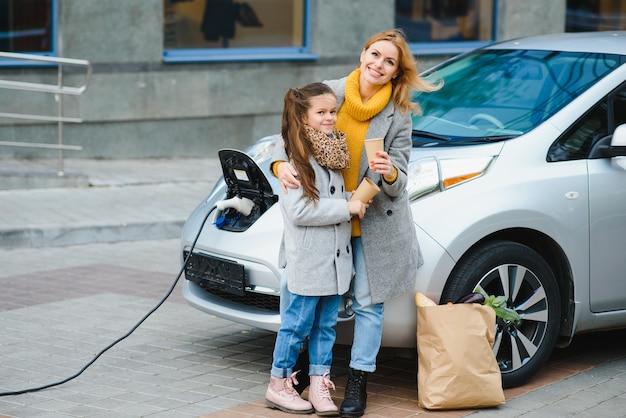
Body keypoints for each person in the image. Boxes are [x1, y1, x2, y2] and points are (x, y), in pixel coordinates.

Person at [271, 29, 442, 417]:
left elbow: (399, 175)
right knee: (300, 297)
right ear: (362, 52)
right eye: (375, 54)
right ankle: (292, 378)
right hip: (323, 219)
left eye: (389, 62)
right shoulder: (330, 92)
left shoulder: (398, 113)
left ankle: (358, 382)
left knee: (367, 306)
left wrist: (391, 174)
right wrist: (280, 165)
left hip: (374, 222)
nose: (378, 65)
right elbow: (287, 138)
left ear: (397, 72)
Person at [265, 82, 368, 415]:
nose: (329, 118)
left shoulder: (334, 149)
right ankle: (278, 384)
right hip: (309, 260)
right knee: (296, 326)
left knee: (326, 327)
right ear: (304, 116)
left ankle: (319, 385)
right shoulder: (294, 156)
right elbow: (299, 211)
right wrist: (347, 208)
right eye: (320, 112)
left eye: (332, 111)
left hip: (336, 260)